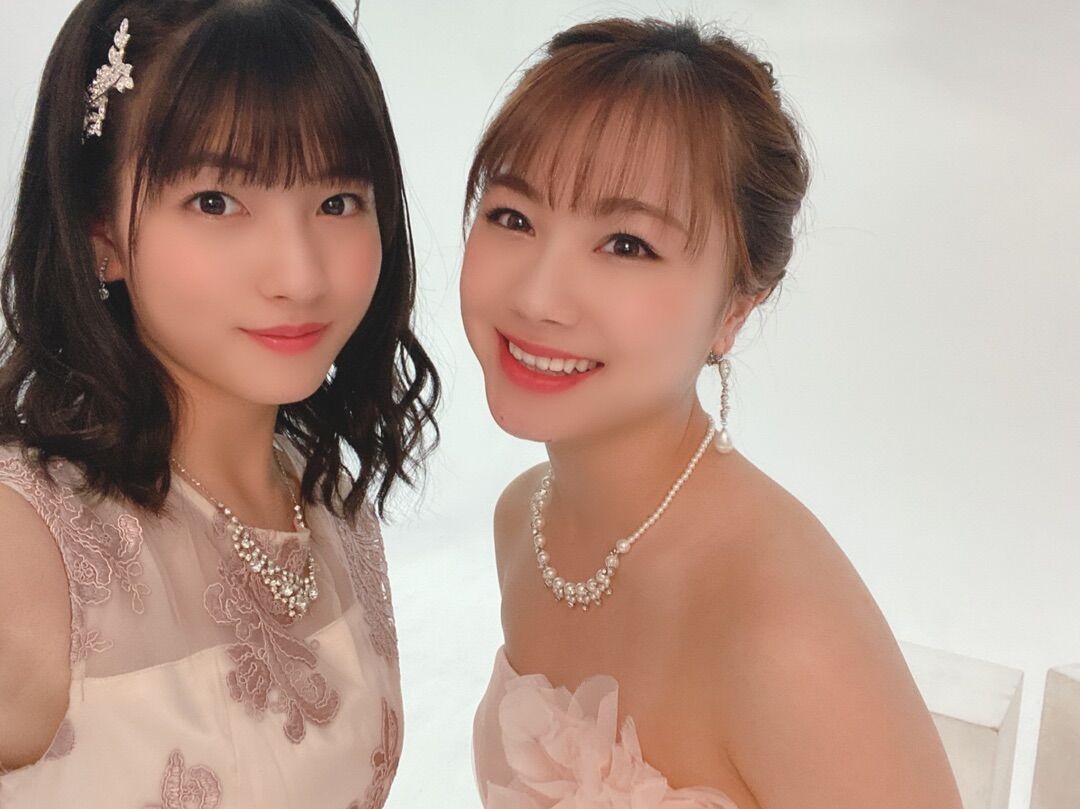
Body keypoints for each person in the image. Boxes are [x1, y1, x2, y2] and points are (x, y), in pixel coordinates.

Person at [462, 17, 961, 809]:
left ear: (734, 308)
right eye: (513, 217)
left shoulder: (783, 634)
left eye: (626, 244)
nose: (538, 296)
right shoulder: (524, 523)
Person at [0, 1, 438, 806]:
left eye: (338, 200)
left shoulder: (326, 499)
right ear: (101, 231)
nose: (299, 275)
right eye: (216, 201)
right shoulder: (27, 548)